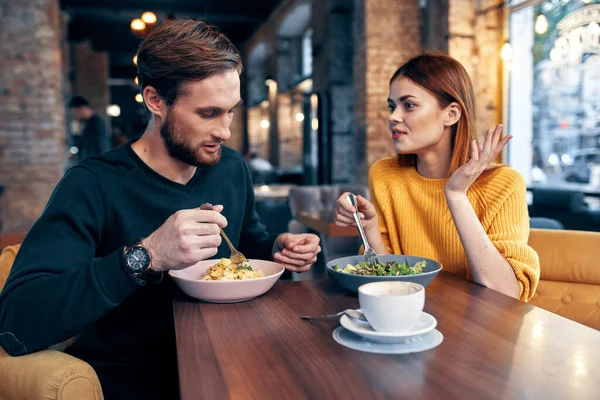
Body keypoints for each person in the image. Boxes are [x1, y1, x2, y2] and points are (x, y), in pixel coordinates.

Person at [0, 20, 321, 399]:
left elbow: (248, 245)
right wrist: (148, 255)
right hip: (135, 380)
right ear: (155, 100)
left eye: (230, 111)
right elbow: (18, 323)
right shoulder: (92, 184)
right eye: (208, 113)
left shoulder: (231, 168)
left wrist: (276, 250)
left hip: (237, 359)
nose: (226, 131)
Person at [334, 53, 540, 301]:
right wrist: (370, 229)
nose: (393, 117)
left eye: (408, 105)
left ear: (451, 114)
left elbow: (505, 292)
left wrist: (456, 195)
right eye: (392, 106)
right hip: (410, 322)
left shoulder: (503, 184)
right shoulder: (385, 175)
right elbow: (385, 284)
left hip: (480, 331)